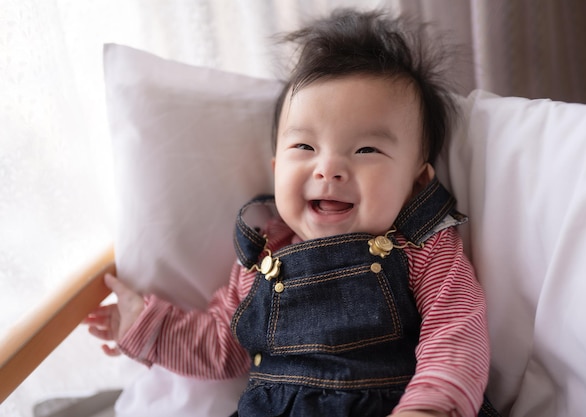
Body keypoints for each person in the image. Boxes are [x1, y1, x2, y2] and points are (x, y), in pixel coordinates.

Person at [84, 8, 500, 417]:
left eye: (366, 150)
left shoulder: (423, 248)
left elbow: (456, 332)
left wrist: (430, 407)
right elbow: (220, 345)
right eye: (305, 147)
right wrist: (144, 326)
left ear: (417, 183)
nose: (329, 168)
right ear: (277, 169)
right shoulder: (261, 261)